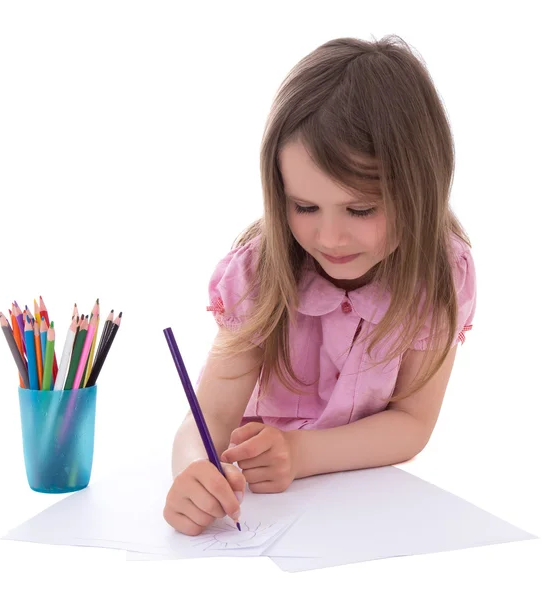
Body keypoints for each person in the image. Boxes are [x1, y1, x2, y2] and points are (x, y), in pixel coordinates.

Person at [163, 35, 476, 536]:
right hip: (268, 516)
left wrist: (301, 453)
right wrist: (193, 471)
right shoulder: (258, 274)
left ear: (420, 191)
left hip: (371, 519)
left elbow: (413, 424)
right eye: (304, 207)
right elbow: (207, 419)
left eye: (361, 209)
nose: (329, 237)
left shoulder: (437, 276)